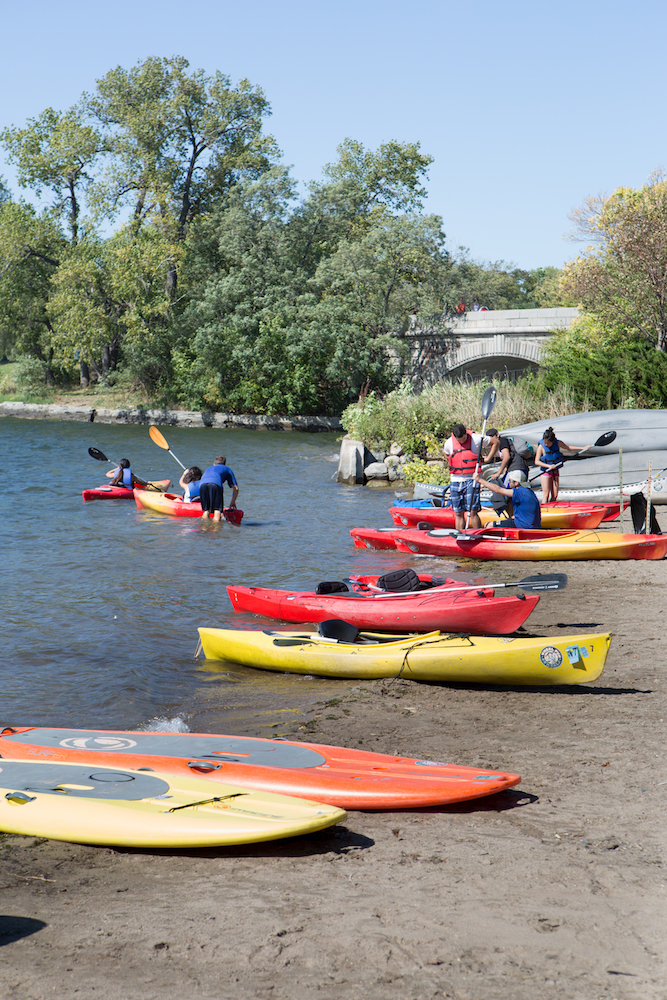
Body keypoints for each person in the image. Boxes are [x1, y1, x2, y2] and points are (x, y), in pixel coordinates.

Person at [443, 423, 494, 530]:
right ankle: (460, 535)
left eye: (463, 439)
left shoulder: (476, 439)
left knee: (473, 511)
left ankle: (478, 535)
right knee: (458, 513)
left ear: (466, 434)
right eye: (459, 440)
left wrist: (488, 459)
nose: (461, 442)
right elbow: (447, 454)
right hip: (456, 480)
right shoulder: (449, 443)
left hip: (472, 479)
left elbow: (495, 442)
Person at [534, 426, 590, 503]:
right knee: (546, 494)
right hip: (545, 472)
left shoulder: (558, 443)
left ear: (553, 441)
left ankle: (552, 509)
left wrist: (583, 448)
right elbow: (536, 462)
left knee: (555, 495)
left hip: (555, 471)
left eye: (548, 443)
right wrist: (549, 466)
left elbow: (568, 447)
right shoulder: (541, 447)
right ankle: (543, 511)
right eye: (545, 442)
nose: (546, 444)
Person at [483, 429, 531, 516]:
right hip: (518, 469)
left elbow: (507, 457)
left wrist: (498, 473)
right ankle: (516, 517)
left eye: (491, 437)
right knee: (512, 496)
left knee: (508, 497)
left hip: (516, 470)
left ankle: (514, 518)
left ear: (497, 435)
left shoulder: (502, 441)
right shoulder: (503, 443)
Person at [473, 469, 542, 529]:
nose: (509, 482)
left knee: (489, 525)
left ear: (516, 483)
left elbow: (498, 490)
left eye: (510, 480)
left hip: (523, 526)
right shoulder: (529, 491)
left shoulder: (519, 492)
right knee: (510, 519)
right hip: (532, 525)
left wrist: (479, 480)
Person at [198, 456, 239, 522]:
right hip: (215, 484)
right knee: (217, 510)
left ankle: (204, 528)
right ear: (224, 464)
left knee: (206, 510)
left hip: (202, 485)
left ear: (214, 464)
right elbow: (236, 488)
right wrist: (232, 502)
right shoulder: (227, 469)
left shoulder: (209, 468)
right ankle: (216, 530)